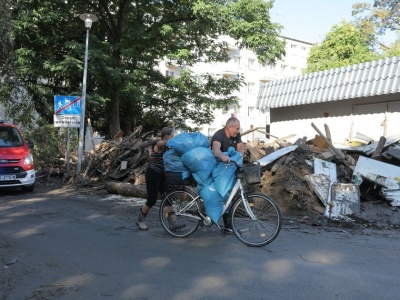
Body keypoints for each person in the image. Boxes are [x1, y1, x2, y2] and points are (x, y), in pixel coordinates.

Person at [136, 127, 184, 231]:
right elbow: (163, 144)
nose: (173, 137)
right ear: (166, 136)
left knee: (168, 197)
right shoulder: (158, 143)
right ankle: (140, 220)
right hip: (152, 173)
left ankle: (172, 224)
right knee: (152, 200)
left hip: (162, 174)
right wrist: (175, 140)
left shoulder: (168, 145)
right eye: (172, 135)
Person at [211, 117, 244, 232]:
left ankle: (227, 226)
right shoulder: (218, 135)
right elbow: (216, 149)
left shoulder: (236, 135)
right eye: (237, 128)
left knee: (229, 195)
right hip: (218, 168)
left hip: (229, 169)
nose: (238, 131)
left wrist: (239, 157)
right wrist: (222, 156)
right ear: (229, 127)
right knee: (223, 195)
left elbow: (240, 148)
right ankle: (226, 225)